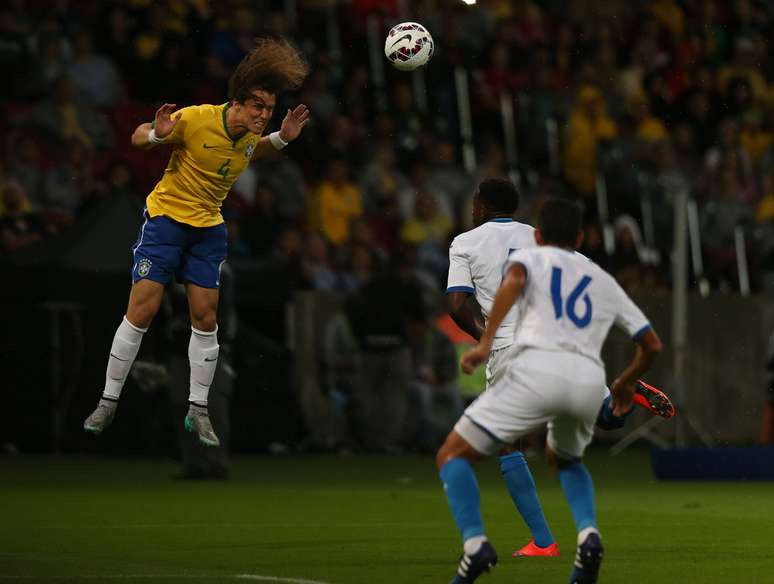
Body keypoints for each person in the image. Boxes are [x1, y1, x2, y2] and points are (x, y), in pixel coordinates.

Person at [83, 37, 310, 446]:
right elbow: (136, 137)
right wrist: (157, 134)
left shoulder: (245, 136)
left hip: (207, 228)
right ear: (237, 103)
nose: (264, 115)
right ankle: (108, 400)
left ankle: (199, 410)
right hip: (167, 220)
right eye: (258, 106)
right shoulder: (198, 119)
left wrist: (282, 138)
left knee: (206, 318)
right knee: (143, 309)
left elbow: (247, 153)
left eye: (269, 110)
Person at [446, 180, 675, 560]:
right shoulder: (540, 237)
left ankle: (543, 541)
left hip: (508, 348)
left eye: (474, 204)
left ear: (482, 206)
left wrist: (483, 337)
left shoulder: (465, 243)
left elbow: (456, 305)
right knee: (607, 420)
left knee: (508, 445)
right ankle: (622, 392)